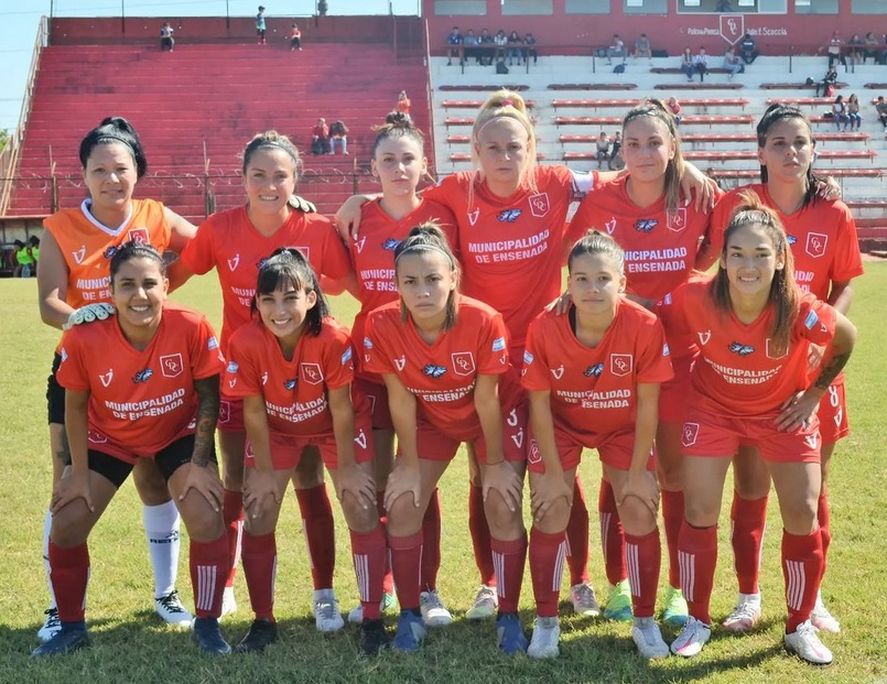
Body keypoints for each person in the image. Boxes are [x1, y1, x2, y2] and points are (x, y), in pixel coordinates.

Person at [335, 90, 715, 624]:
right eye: (493, 147)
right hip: (471, 353)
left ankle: (579, 579)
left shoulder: (557, 184)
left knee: (548, 475)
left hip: (541, 354)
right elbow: (397, 199)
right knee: (482, 474)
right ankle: (491, 583)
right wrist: (355, 202)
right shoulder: (454, 191)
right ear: (474, 150)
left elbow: (635, 171)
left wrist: (685, 165)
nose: (505, 157)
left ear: (531, 148)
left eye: (515, 146)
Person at [667, 194, 856, 666]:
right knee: (700, 507)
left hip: (781, 415)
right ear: (723, 259)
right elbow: (650, 315)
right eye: (737, 254)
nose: (748, 265)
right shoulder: (694, 297)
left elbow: (846, 336)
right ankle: (698, 619)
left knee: (804, 510)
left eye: (760, 254)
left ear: (779, 259)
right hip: (713, 410)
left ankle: (798, 624)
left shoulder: (797, 306)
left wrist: (814, 393)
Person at [177, 131, 355, 630]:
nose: (269, 185)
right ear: (243, 179)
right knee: (240, 481)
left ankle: (324, 591)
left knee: (310, 480)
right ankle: (231, 585)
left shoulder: (316, 229)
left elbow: (348, 284)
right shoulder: (219, 228)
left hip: (307, 383)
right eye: (259, 175)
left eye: (280, 175)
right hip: (245, 381)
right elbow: (172, 276)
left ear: (296, 179)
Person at [36, 116, 198, 643]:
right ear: (83, 174)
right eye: (99, 169)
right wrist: (80, 318)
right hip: (82, 373)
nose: (111, 179)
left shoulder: (155, 215)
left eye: (121, 168)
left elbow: (208, 246)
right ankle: (60, 609)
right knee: (68, 483)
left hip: (149, 373)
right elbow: (49, 303)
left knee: (154, 478)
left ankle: (165, 593)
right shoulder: (60, 225)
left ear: (138, 172)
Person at [710, 103, 863, 642]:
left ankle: (811, 598)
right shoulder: (736, 204)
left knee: (809, 491)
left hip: (812, 370)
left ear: (813, 150)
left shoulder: (834, 212)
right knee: (750, 487)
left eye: (800, 142)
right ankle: (748, 595)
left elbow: (845, 282)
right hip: (752, 373)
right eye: (778, 142)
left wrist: (822, 340)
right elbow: (714, 270)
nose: (790, 151)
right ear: (760, 152)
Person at [567, 99, 722, 630]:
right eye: (633, 143)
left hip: (678, 357)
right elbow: (576, 263)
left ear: (673, 147)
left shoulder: (698, 195)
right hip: (614, 359)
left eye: (655, 142)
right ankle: (619, 582)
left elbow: (730, 230)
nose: (644, 153)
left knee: (674, 474)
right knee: (619, 473)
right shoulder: (602, 200)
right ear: (619, 149)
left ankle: (678, 589)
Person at [32, 242, 230, 657]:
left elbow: (209, 396)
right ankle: (71, 626)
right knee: (67, 521)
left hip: (177, 431)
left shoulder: (192, 324)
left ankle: (208, 624)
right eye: (127, 285)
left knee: (205, 512)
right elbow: (75, 406)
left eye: (148, 284)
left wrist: (199, 462)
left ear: (166, 286)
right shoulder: (84, 335)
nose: (139, 295)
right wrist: (79, 473)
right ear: (110, 290)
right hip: (110, 437)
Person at [363, 224, 529, 654]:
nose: (423, 290)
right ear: (396, 285)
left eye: (433, 278)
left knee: (501, 501)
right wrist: (411, 465)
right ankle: (410, 614)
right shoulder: (381, 323)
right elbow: (399, 399)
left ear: (453, 276)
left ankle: (508, 615)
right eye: (411, 282)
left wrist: (492, 463)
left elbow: (488, 399)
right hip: (431, 417)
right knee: (402, 504)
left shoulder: (482, 318)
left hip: (492, 412)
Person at [224, 249, 388, 655]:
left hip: (336, 427)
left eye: (290, 298)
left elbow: (341, 406)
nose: (279, 310)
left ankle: (372, 618)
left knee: (361, 505)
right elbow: (253, 410)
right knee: (259, 510)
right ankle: (263, 621)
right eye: (268, 300)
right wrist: (261, 470)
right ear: (256, 303)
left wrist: (348, 467)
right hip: (279, 430)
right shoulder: (244, 341)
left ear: (311, 297)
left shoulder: (332, 337)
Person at [523, 231, 674, 660]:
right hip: (562, 425)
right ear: (567, 284)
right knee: (550, 507)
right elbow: (538, 403)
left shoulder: (643, 326)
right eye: (582, 279)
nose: (592, 289)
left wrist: (644, 470)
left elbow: (648, 404)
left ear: (621, 284)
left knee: (641, 507)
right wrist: (553, 474)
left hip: (623, 428)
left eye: (603, 279)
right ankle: (547, 620)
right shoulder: (544, 326)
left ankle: (644, 621)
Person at [345, 113, 458, 626]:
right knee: (374, 481)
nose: (398, 167)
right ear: (372, 166)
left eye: (408, 158)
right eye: (387, 159)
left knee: (417, 479)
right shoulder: (355, 218)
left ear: (424, 165)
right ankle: (383, 588)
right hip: (368, 371)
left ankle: (426, 587)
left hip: (423, 371)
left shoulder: (442, 215)